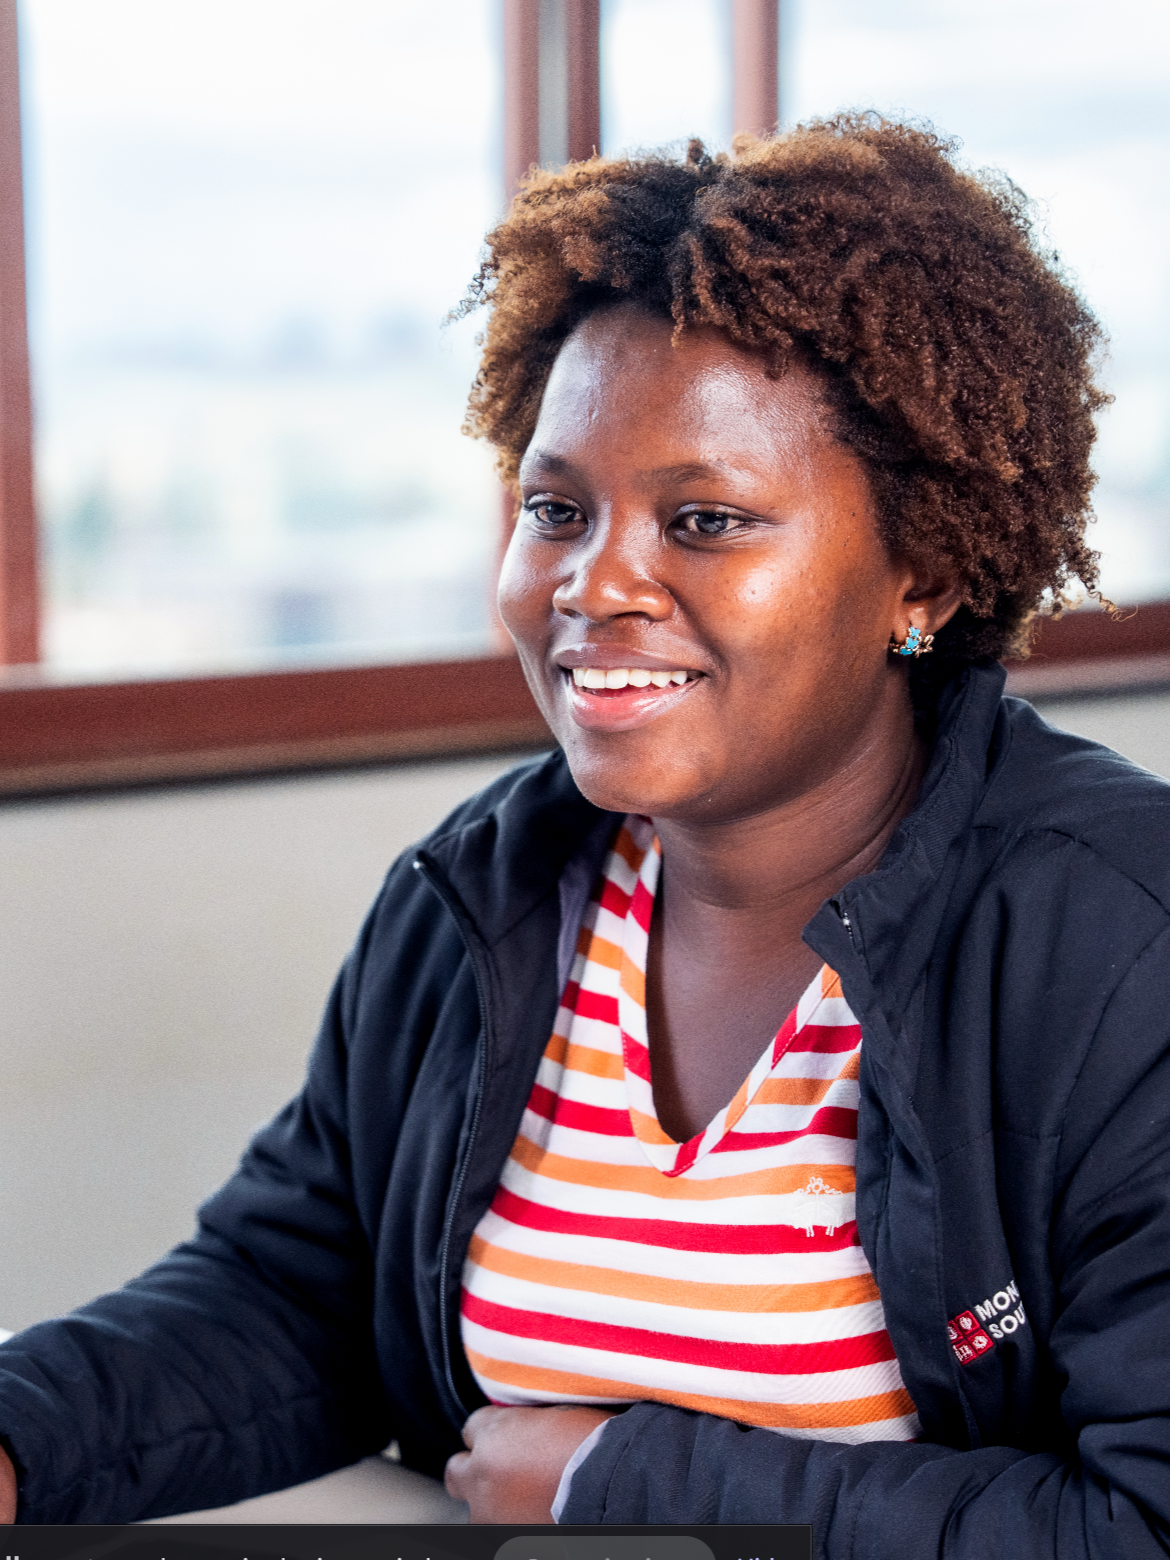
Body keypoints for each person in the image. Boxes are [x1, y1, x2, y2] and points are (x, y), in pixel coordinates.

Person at [2, 113, 1169, 1556]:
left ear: (916, 573)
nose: (592, 582)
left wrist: (617, 1484)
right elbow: (295, 1297)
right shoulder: (482, 892)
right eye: (555, 507)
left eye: (705, 521)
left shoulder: (1119, 942)